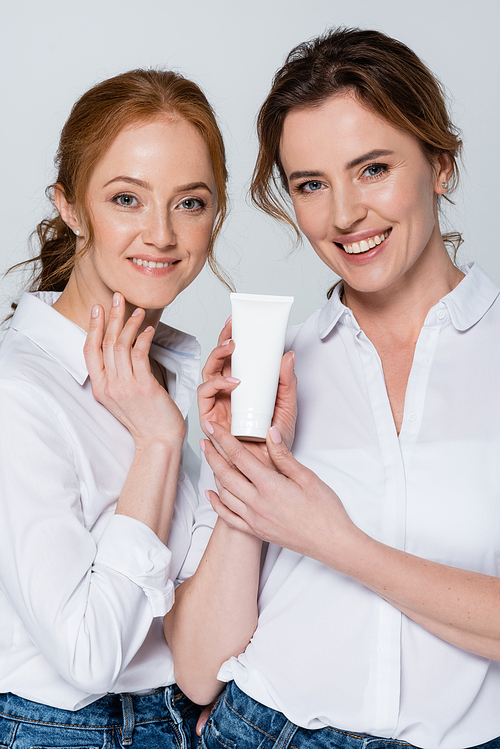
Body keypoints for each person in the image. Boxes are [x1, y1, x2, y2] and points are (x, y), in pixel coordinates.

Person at [165, 28, 500, 749]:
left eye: (373, 168)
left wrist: (332, 540)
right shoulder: (278, 367)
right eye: (310, 184)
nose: (344, 215)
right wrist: (245, 454)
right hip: (266, 731)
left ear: (439, 164)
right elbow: (196, 670)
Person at [0, 68, 228, 748]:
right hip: (67, 730)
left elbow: (206, 634)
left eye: (190, 202)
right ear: (70, 207)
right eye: (127, 198)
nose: (160, 233)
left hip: (194, 723)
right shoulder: (19, 391)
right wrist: (158, 443)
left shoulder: (185, 375)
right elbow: (88, 656)